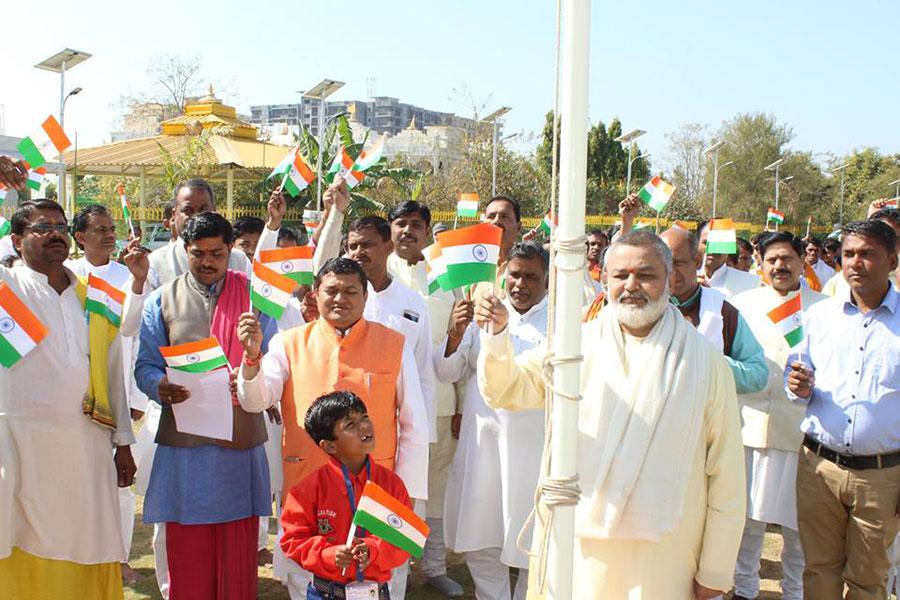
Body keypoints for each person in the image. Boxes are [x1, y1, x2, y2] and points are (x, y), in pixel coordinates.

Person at [476, 230, 746, 599]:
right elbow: (506, 389)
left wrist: (714, 571)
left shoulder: (705, 361)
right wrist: (497, 335)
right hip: (579, 545)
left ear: (670, 280)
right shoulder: (575, 345)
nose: (632, 285)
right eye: (621, 275)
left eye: (646, 275)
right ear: (604, 280)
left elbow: (727, 474)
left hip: (664, 557)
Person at [237, 257, 429, 600]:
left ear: (366, 297)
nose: (340, 298)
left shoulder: (394, 344)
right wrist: (251, 359)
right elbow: (255, 400)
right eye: (332, 290)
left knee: (382, 580)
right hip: (309, 487)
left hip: (377, 490)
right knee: (304, 577)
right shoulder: (288, 343)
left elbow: (413, 422)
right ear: (315, 293)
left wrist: (408, 492)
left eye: (350, 291)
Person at [134, 212, 276, 599]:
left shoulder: (254, 295)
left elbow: (277, 361)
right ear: (184, 250)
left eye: (217, 252)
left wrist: (251, 367)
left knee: (236, 555)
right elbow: (145, 365)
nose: (208, 262)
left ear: (231, 250)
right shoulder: (161, 300)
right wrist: (159, 385)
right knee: (189, 552)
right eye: (198, 254)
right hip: (185, 448)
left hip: (239, 445)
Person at [0, 200, 136, 599]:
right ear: (16, 240)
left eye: (60, 225)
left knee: (87, 536)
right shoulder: (6, 289)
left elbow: (112, 373)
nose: (54, 233)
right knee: (23, 532)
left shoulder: (92, 297)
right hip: (21, 446)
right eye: (41, 227)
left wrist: (123, 444)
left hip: (86, 444)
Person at [786, 219, 900, 599]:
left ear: (892, 259)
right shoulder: (819, 317)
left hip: (882, 478)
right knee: (819, 571)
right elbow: (797, 377)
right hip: (820, 469)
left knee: (869, 580)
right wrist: (797, 386)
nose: (855, 263)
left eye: (868, 254)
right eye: (849, 253)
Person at [436, 241, 550, 600]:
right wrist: (455, 333)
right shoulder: (484, 313)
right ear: (504, 274)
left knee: (534, 541)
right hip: (483, 445)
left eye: (531, 276)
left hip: (535, 452)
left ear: (547, 279)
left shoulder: (562, 322)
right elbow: (447, 371)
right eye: (515, 274)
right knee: (481, 538)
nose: (521, 284)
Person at [728, 232, 827, 600]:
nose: (779, 266)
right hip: (748, 426)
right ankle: (745, 589)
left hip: (799, 433)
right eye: (772, 260)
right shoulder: (741, 305)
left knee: (797, 528)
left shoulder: (822, 308)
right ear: (760, 262)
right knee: (746, 522)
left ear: (803, 261)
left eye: (787, 258)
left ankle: (794, 592)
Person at [66, 204, 151, 585]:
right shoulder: (67, 276)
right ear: (80, 236)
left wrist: (133, 399)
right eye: (99, 229)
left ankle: (119, 558)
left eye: (111, 227)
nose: (108, 234)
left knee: (119, 484)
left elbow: (131, 336)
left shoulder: (127, 275)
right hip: (75, 396)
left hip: (121, 390)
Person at [385, 200, 464, 597]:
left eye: (415, 224)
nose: (407, 231)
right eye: (400, 224)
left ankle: (433, 567)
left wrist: (462, 405)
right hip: (385, 409)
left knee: (435, 487)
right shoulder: (376, 274)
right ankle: (391, 566)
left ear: (427, 229)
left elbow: (460, 341)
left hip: (440, 403)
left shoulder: (446, 276)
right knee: (391, 489)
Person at [281, 391, 413, 599]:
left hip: (375, 592)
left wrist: (373, 550)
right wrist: (327, 554)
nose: (364, 426)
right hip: (325, 592)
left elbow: (404, 541)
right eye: (350, 425)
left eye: (365, 417)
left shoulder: (390, 485)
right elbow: (293, 540)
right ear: (329, 445)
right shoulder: (308, 489)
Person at [659, 227, 767, 394]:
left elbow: (758, 375)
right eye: (663, 264)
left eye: (678, 263)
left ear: (697, 261)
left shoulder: (722, 311)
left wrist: (707, 362)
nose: (670, 272)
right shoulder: (646, 308)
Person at [145, 178, 257, 291]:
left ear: (214, 211)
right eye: (188, 210)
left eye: (203, 209)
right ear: (174, 214)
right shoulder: (156, 262)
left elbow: (255, 303)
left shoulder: (239, 260)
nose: (196, 216)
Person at [696, 220, 761, 298]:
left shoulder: (750, 283)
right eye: (707, 243)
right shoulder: (683, 279)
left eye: (719, 243)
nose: (712, 249)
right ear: (697, 244)